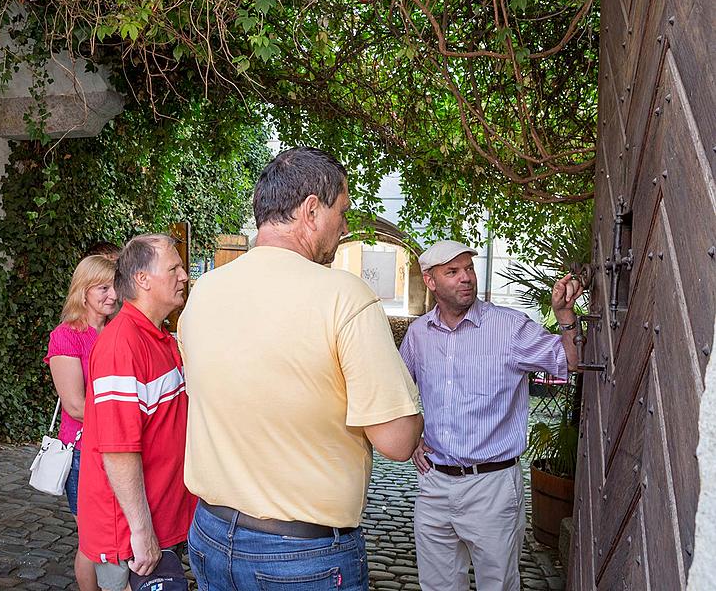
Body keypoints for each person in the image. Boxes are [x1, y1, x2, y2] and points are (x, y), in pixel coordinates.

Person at [178, 146, 424, 590]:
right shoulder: (344, 297)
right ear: (311, 210)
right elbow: (398, 440)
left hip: (211, 535)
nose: (345, 227)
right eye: (342, 212)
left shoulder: (204, 292)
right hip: (301, 555)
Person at [399, 240, 583, 591]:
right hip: (434, 485)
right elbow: (397, 392)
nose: (465, 278)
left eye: (468, 268)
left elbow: (571, 362)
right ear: (430, 281)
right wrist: (412, 438)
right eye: (452, 272)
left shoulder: (509, 328)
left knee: (497, 586)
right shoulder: (418, 335)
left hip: (492, 488)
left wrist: (565, 318)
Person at [77, 234, 197, 591]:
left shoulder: (157, 335)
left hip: (161, 516)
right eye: (173, 268)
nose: (184, 275)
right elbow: (118, 449)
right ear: (143, 279)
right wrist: (141, 531)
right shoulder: (121, 344)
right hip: (130, 533)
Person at [45, 255, 119, 591]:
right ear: (84, 291)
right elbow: (75, 405)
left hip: (117, 448)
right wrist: (126, 419)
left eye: (115, 286)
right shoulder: (67, 335)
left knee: (116, 532)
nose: (112, 295)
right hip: (83, 450)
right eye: (103, 288)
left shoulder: (117, 330)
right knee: (91, 540)